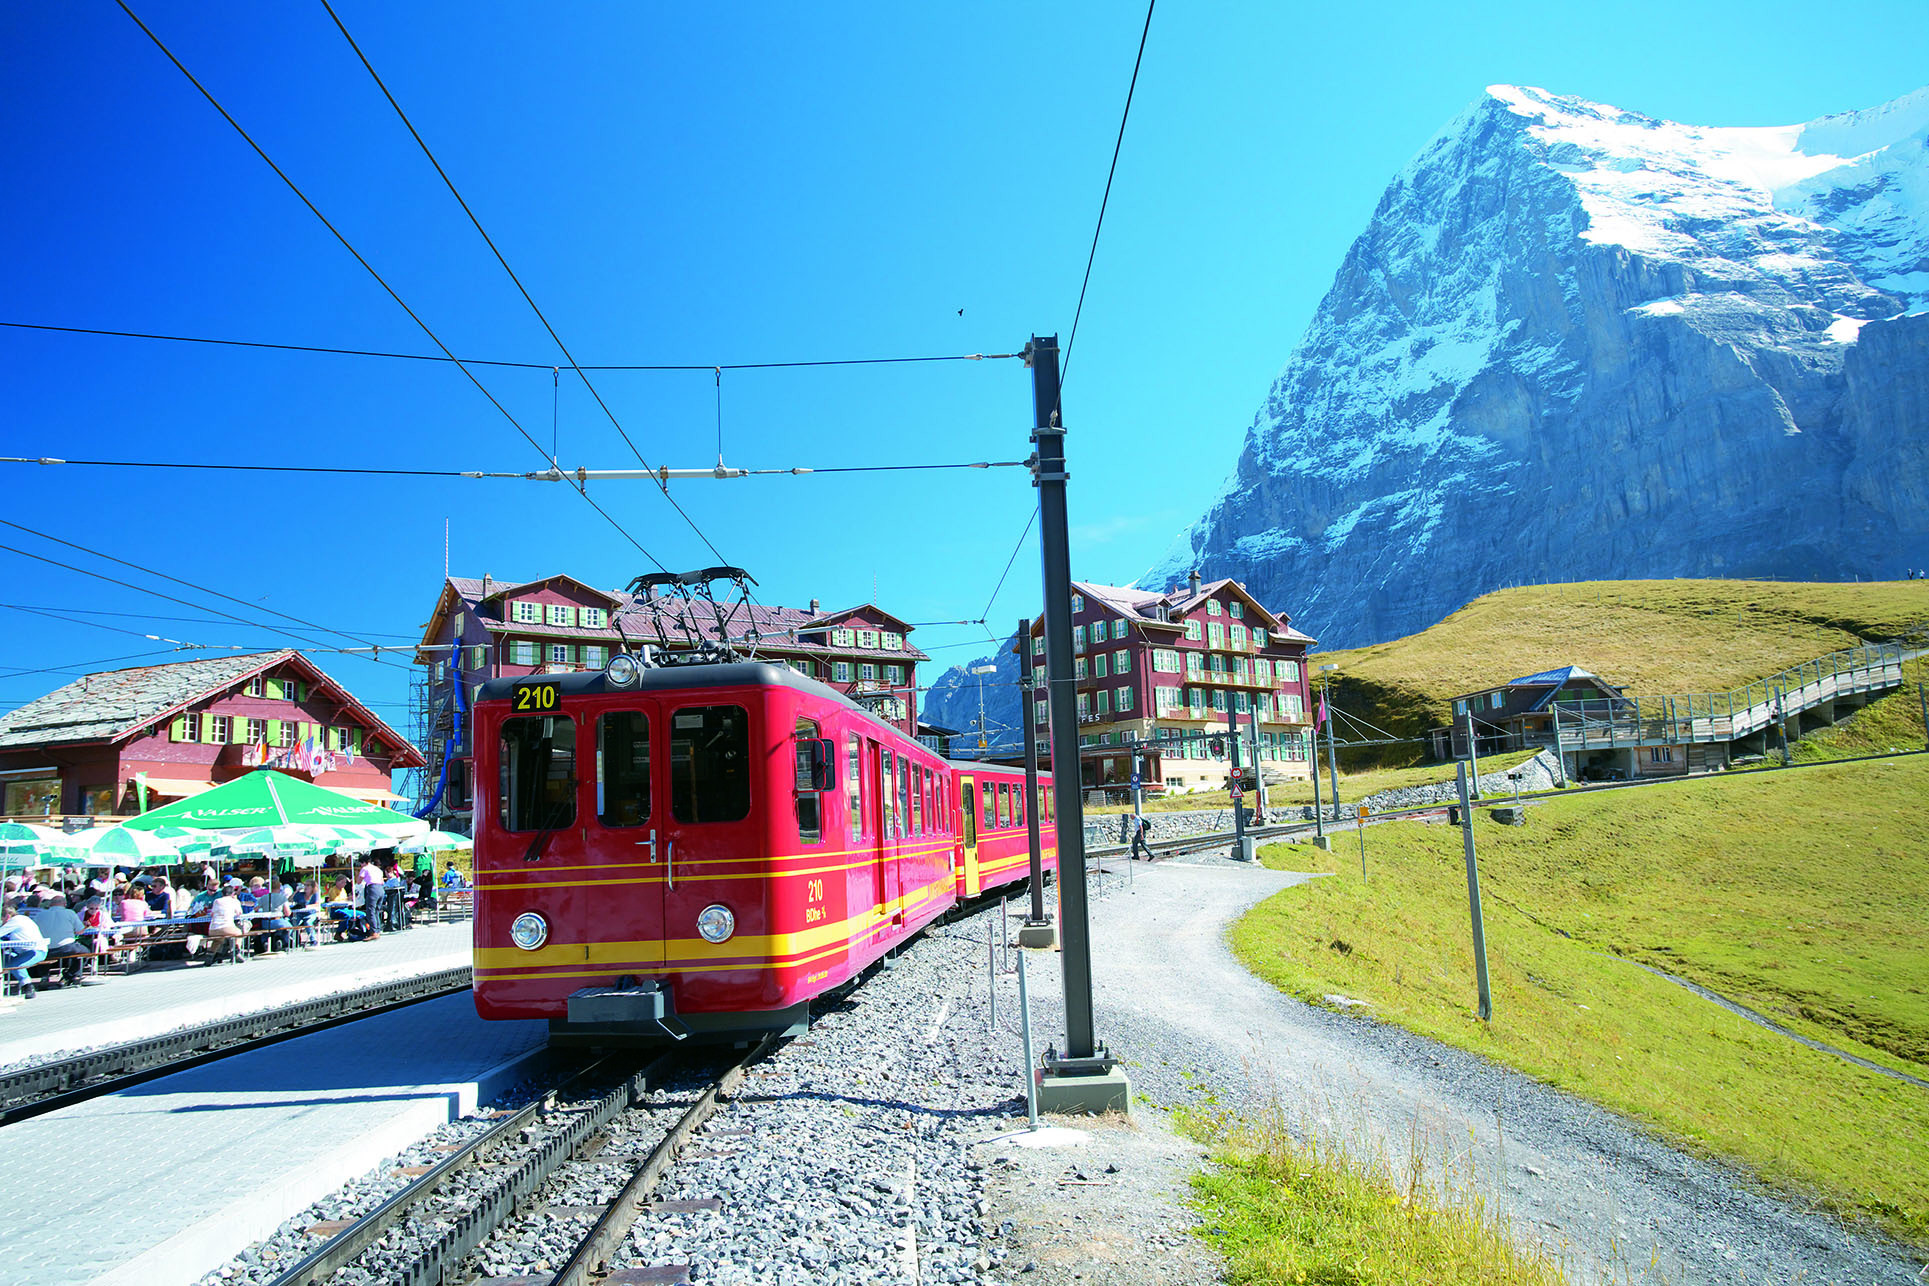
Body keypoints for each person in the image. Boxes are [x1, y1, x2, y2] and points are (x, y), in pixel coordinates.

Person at [26, 891, 89, 985]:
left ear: (51, 904)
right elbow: (79, 931)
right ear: (65, 904)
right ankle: (69, 976)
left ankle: (44, 976)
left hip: (46, 949)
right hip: (67, 947)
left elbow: (32, 930)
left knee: (43, 951)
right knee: (86, 952)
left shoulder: (40, 914)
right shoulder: (70, 913)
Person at [0, 900, 47, 998]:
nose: (2, 922)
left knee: (14, 964)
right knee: (4, 960)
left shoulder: (16, 921)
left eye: (2, 919)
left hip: (36, 951)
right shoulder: (22, 919)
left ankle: (28, 986)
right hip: (26, 951)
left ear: (7, 916)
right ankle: (22, 984)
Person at [204, 880, 250, 962]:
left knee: (218, 940)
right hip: (226, 927)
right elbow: (239, 913)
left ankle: (209, 955)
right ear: (233, 894)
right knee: (239, 933)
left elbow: (212, 914)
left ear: (222, 893)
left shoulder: (216, 901)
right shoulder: (235, 901)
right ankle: (236, 952)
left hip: (213, 929)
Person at [256, 877, 293, 953]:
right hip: (278, 921)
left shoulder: (263, 897)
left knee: (264, 930)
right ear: (279, 887)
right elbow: (287, 913)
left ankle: (265, 942)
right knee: (290, 927)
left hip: (266, 922)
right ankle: (282, 940)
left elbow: (256, 909)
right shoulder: (282, 898)